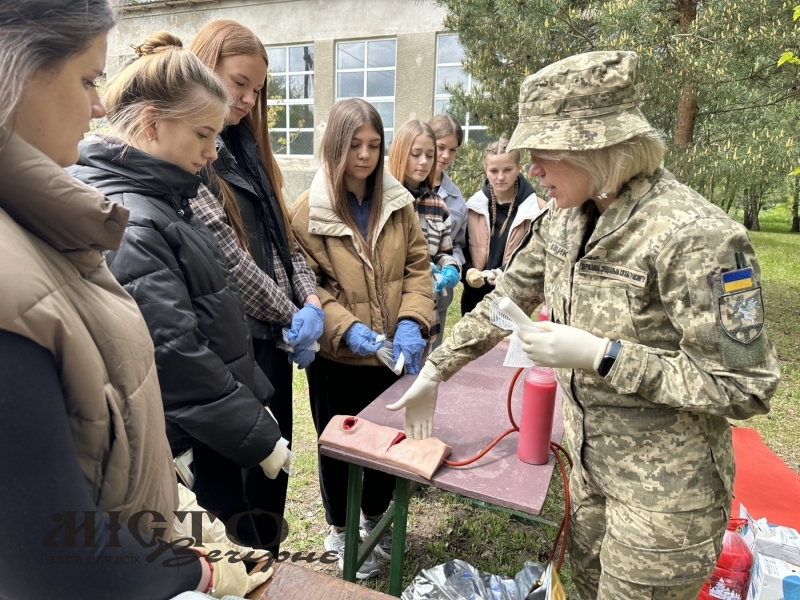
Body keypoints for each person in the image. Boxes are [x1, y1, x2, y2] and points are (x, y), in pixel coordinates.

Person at [388, 51, 781, 600]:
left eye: (545, 153)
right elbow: (506, 298)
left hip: (666, 501)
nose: (532, 170)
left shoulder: (699, 237)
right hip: (589, 474)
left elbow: (745, 385)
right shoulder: (566, 216)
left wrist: (605, 355)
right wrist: (437, 368)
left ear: (598, 148)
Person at [0, 3, 260, 597]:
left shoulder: (56, 225)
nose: (98, 106)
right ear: (16, 72)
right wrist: (195, 569)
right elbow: (51, 554)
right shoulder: (26, 264)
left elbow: (112, 414)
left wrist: (173, 507)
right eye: (88, 79)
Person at [68, 32, 291, 555]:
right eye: (202, 135)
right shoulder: (133, 220)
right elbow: (173, 351)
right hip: (184, 443)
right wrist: (255, 430)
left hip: (209, 430)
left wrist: (254, 395)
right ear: (152, 124)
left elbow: (210, 315)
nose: (212, 152)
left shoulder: (165, 200)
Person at [189, 19, 323, 557]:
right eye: (239, 83)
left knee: (273, 473)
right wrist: (291, 314)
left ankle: (267, 565)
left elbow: (284, 240)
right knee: (229, 486)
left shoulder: (249, 149)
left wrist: (310, 297)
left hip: (269, 343)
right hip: (226, 347)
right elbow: (229, 261)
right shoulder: (195, 155)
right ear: (204, 69)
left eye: (257, 89)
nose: (248, 99)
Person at [290, 98, 433, 579]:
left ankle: (374, 518)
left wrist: (412, 320)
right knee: (340, 450)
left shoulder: (398, 203)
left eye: (373, 144)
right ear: (335, 146)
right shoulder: (308, 212)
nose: (365, 155)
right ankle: (339, 528)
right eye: (354, 145)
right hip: (338, 361)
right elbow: (307, 286)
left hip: (389, 356)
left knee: (386, 445)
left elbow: (417, 268)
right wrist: (346, 328)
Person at [388, 119, 460, 342]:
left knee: (423, 361)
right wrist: (416, 266)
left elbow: (444, 251)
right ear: (400, 153)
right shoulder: (384, 200)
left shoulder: (438, 205)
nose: (423, 162)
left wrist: (449, 267)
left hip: (428, 306)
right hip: (391, 308)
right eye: (416, 154)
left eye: (430, 155)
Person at [460, 139, 544, 315]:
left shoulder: (538, 210)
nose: (500, 177)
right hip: (474, 300)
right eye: (494, 171)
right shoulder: (472, 207)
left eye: (507, 170)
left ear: (518, 167)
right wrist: (468, 271)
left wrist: (503, 272)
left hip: (512, 302)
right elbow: (461, 248)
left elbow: (537, 257)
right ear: (485, 169)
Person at [428, 114, 468, 349]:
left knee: (431, 359)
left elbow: (458, 244)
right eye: (441, 147)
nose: (445, 156)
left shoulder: (456, 199)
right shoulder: (400, 187)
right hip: (401, 295)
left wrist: (453, 267)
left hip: (438, 295)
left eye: (452, 150)